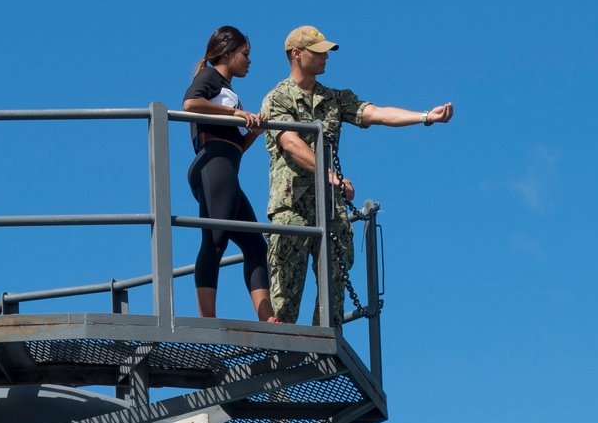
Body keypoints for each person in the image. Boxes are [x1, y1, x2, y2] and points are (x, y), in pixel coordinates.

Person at [262, 25, 453, 326]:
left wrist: (426, 117)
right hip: (292, 205)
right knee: (286, 284)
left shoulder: (335, 99)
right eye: (318, 52)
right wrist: (329, 175)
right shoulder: (278, 98)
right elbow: (289, 141)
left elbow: (376, 114)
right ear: (296, 55)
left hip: (329, 204)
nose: (326, 57)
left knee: (337, 270)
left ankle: (324, 337)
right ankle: (279, 345)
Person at [183, 26, 277, 322]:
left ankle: (267, 319)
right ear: (227, 52)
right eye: (245, 54)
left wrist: (254, 132)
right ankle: (207, 320)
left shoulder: (229, 92)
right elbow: (189, 104)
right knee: (215, 240)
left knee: (255, 245)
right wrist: (238, 115)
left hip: (227, 167)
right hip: (213, 164)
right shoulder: (210, 76)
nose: (249, 61)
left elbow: (236, 145)